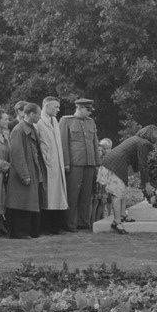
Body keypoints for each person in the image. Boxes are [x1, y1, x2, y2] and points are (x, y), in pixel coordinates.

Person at [97, 125, 157, 234]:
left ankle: (123, 215)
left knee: (123, 190)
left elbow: (137, 162)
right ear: (151, 134)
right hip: (115, 164)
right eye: (156, 134)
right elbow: (142, 164)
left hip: (113, 162)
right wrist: (147, 184)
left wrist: (142, 179)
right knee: (117, 192)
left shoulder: (137, 139)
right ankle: (117, 222)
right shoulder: (144, 143)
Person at [59, 97, 100, 231]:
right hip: (75, 163)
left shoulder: (90, 122)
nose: (90, 113)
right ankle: (70, 223)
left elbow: (94, 143)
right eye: (87, 110)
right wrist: (66, 163)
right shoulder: (66, 121)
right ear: (79, 108)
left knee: (86, 195)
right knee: (73, 194)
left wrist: (96, 162)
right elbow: (63, 144)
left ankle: (83, 222)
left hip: (89, 162)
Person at [7, 103, 46, 239]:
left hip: (32, 171)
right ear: (31, 114)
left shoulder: (30, 128)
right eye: (39, 114)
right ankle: (20, 232)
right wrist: (24, 175)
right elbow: (17, 154)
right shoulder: (19, 130)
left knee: (28, 201)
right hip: (24, 173)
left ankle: (29, 231)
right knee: (22, 202)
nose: (40, 117)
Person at [36, 96, 68, 235]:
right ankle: (46, 227)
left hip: (57, 162)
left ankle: (56, 226)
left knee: (58, 195)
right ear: (46, 106)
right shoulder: (39, 121)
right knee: (48, 196)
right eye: (55, 107)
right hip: (47, 163)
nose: (58, 109)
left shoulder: (55, 120)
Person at [91, 138, 113, 222]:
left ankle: (101, 218)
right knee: (96, 201)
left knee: (104, 201)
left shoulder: (107, 158)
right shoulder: (97, 159)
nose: (104, 151)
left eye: (108, 148)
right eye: (104, 149)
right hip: (98, 182)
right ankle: (93, 220)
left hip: (105, 183)